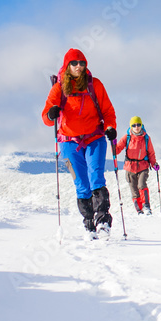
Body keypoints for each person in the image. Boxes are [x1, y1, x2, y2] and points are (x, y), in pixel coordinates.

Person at [42, 49, 117, 238]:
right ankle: (89, 224)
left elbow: (108, 111)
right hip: (68, 143)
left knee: (96, 177)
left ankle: (103, 222)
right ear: (67, 66)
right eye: (74, 63)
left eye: (82, 63)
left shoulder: (95, 85)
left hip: (95, 138)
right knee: (81, 183)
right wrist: (51, 114)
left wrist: (110, 127)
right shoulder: (58, 88)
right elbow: (46, 117)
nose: (78, 66)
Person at [115, 116, 159, 215]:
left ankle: (146, 207)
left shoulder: (146, 138)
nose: (136, 127)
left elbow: (151, 153)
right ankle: (139, 210)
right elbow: (117, 149)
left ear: (141, 125)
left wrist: (154, 163)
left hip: (143, 166)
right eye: (134, 125)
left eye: (138, 124)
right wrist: (113, 144)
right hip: (130, 167)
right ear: (131, 126)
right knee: (134, 189)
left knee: (141, 185)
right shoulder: (127, 137)